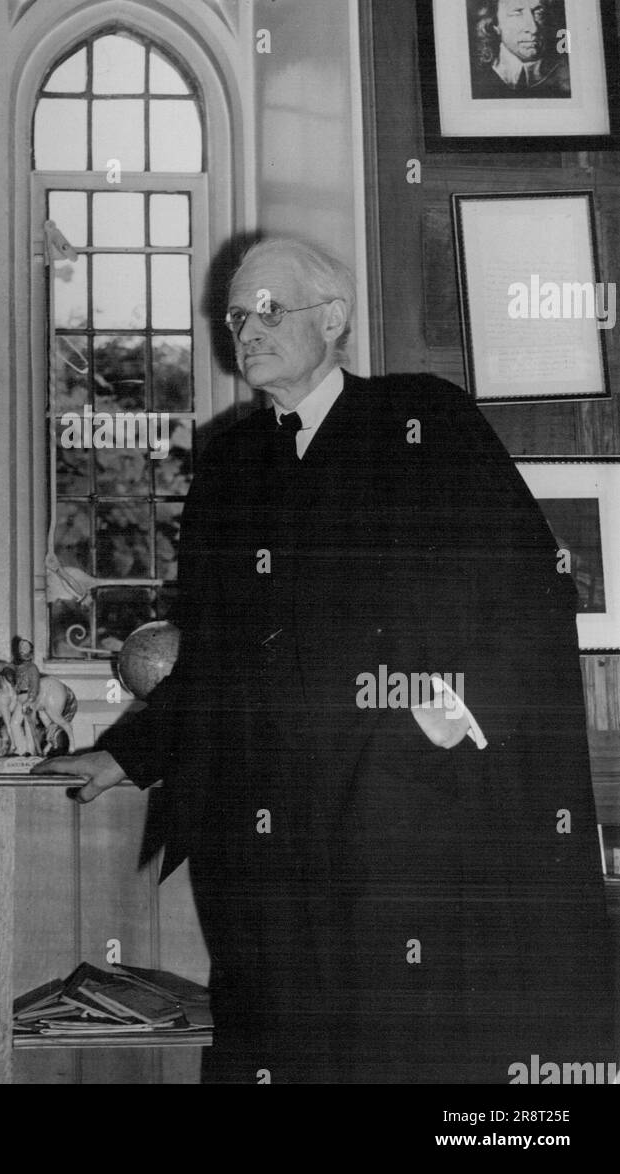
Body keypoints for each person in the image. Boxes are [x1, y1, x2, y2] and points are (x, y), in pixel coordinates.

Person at [41, 237, 614, 1084]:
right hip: (264, 840)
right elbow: (217, 657)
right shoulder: (231, 466)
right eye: (237, 314)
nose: (247, 327)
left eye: (270, 308)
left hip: (404, 817)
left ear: (334, 319)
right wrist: (128, 753)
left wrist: (438, 713)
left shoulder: (423, 421)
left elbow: (526, 593)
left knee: (402, 1050)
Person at [470, 0, 570, 98]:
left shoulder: (565, 80)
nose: (533, 28)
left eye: (539, 13)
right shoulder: (476, 80)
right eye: (517, 13)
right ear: (494, 23)